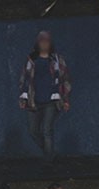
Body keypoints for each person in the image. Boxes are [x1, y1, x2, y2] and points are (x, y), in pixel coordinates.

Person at [19, 30, 71, 161]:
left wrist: (65, 99)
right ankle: (49, 153)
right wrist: (23, 98)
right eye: (41, 40)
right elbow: (24, 79)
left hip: (51, 102)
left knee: (47, 130)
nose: (44, 43)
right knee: (33, 131)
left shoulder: (57, 60)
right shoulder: (31, 60)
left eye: (46, 40)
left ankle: (49, 162)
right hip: (33, 101)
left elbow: (65, 80)